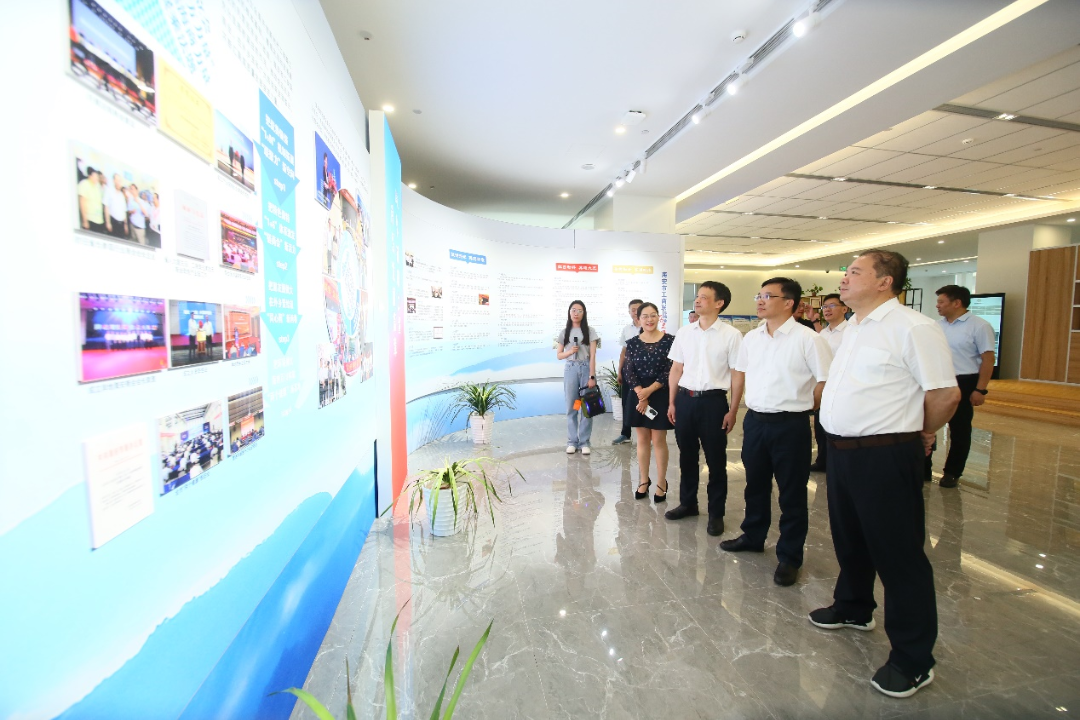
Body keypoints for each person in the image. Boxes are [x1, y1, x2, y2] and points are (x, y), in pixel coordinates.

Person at [811, 249, 959, 699]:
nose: (844, 278)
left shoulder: (913, 328)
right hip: (842, 453)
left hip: (885, 455)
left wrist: (922, 431)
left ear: (884, 281)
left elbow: (945, 394)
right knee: (850, 539)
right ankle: (854, 607)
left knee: (898, 555)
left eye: (855, 272)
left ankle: (913, 659)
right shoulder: (854, 327)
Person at [721, 278, 832, 586]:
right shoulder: (752, 338)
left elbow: (825, 380)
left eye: (768, 296)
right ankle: (753, 536)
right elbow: (741, 373)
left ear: (788, 303)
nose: (760, 300)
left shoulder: (808, 339)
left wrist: (807, 406)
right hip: (756, 421)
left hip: (791, 425)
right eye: (759, 295)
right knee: (755, 484)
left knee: (792, 492)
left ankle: (789, 556)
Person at [665, 281, 743, 535]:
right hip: (685, 401)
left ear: (719, 303)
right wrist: (672, 402)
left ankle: (716, 513)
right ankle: (688, 503)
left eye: (704, 297)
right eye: (697, 297)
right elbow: (676, 369)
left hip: (713, 403)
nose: (697, 301)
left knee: (716, 460)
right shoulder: (685, 332)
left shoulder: (731, 335)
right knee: (687, 456)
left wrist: (733, 410)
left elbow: (737, 375)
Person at [929, 285, 995, 488]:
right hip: (938, 380)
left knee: (959, 429)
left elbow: (988, 359)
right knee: (928, 424)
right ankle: (923, 467)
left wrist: (980, 389)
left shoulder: (979, 326)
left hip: (964, 381)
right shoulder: (936, 326)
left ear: (957, 303)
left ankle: (952, 472)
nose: (937, 305)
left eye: (941, 301)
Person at [624, 302, 674, 502]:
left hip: (660, 393)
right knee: (642, 439)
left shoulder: (670, 341)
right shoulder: (632, 343)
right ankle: (644, 480)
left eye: (653, 315)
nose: (649, 319)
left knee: (659, 440)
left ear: (658, 317)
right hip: (638, 395)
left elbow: (670, 369)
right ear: (638, 319)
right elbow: (628, 370)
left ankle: (661, 482)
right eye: (645, 316)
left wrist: (649, 391)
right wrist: (640, 393)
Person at [809, 294, 849, 472]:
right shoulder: (823, 334)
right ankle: (823, 460)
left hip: (842, 387)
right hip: (824, 385)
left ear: (844, 309)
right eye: (825, 307)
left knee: (838, 426)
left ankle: (837, 462)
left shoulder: (850, 332)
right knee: (820, 425)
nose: (827, 310)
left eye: (832, 306)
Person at [555, 300, 600, 455]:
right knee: (572, 406)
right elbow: (559, 355)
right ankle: (572, 441)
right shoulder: (564, 332)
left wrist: (592, 376)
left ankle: (585, 442)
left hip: (586, 368)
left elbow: (593, 355)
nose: (576, 313)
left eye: (580, 311)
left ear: (584, 313)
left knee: (587, 406)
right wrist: (570, 352)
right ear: (569, 312)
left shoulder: (590, 331)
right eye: (573, 310)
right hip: (571, 369)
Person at [612, 298, 643, 445]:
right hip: (628, 371)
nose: (635, 312)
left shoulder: (648, 325)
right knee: (626, 402)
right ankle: (625, 433)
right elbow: (623, 351)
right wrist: (620, 371)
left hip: (645, 372)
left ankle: (647, 433)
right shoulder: (627, 329)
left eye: (638, 309)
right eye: (633, 310)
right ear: (629, 312)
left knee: (646, 401)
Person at [77, 167, 106, 234]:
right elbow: (82, 202)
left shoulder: (97, 186)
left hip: (99, 221)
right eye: (95, 176)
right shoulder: (84, 184)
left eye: (97, 176)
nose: (97, 178)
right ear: (90, 176)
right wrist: (85, 221)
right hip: (90, 220)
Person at [106, 173, 129, 240]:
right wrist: (108, 222)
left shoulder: (122, 195)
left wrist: (125, 225)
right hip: (113, 222)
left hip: (121, 225)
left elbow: (124, 211)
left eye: (120, 181)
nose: (119, 183)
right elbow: (106, 207)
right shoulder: (109, 191)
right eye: (117, 180)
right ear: (114, 181)